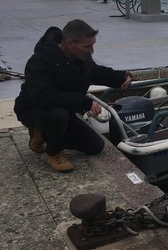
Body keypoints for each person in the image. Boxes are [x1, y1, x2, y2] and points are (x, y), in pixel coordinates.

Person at [14, 19, 133, 173]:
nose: (92, 50)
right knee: (58, 115)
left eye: (93, 45)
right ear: (70, 43)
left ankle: (42, 134)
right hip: (34, 109)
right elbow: (44, 98)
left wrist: (122, 77)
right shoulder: (40, 61)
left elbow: (96, 72)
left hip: (64, 109)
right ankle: (54, 151)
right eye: (87, 46)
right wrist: (84, 102)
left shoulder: (82, 59)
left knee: (95, 146)